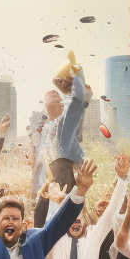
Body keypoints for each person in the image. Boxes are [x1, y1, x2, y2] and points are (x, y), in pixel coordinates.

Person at [47, 51, 88, 193]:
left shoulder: (65, 125)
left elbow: (77, 102)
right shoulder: (50, 128)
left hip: (65, 186)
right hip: (55, 186)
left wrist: (78, 75)